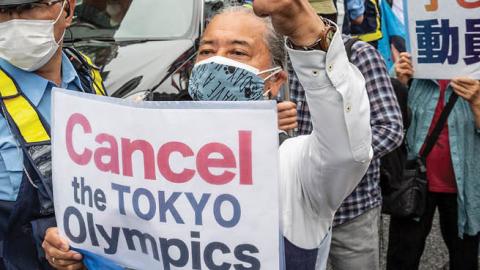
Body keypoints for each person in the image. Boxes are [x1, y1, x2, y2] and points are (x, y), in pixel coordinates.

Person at [42, 0, 373, 269]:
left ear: (273, 81)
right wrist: (71, 247)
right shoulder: (150, 163)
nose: (217, 62)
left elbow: (346, 151)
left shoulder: (292, 165)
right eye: (206, 50)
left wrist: (306, 31)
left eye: (238, 52)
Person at [288, 3, 403, 269]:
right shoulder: (278, 58)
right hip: (296, 211)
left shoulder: (359, 54)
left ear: (325, 23)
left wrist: (336, 155)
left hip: (351, 210)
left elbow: (390, 129)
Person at [0, 0, 107, 269]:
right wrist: (43, 237)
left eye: (29, 7)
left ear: (68, 10)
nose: (15, 21)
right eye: (3, 11)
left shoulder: (86, 76)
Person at [387, 52, 480, 270]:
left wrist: (477, 103)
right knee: (402, 257)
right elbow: (384, 120)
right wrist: (398, 82)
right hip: (413, 181)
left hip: (465, 186)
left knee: (465, 259)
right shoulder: (413, 65)